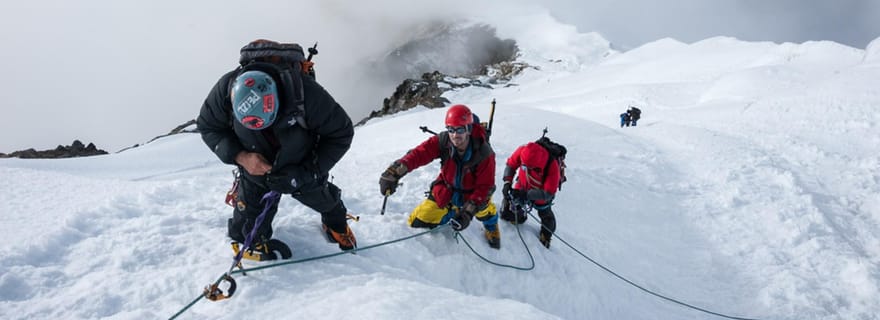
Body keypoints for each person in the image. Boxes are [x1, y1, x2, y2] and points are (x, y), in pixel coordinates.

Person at [197, 39, 357, 257]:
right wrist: (242, 157)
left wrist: (305, 173)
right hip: (254, 167)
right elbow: (208, 126)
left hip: (301, 162)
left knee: (323, 199)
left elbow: (341, 133)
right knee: (243, 231)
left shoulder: (306, 93)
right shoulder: (226, 89)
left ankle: (336, 224)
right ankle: (254, 238)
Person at [378, 104, 501, 249]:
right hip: (446, 190)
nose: (455, 135)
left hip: (473, 196)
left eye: (460, 129)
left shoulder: (484, 152)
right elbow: (419, 154)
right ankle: (451, 212)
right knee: (417, 221)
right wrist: (394, 172)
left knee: (484, 211)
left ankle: (491, 226)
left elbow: (484, 187)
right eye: (451, 129)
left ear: (468, 129)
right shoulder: (444, 141)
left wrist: (467, 213)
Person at [500, 142, 561, 248]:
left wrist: (527, 195)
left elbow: (548, 193)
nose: (527, 169)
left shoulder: (552, 165)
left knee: (546, 216)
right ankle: (518, 216)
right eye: (524, 166)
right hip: (522, 187)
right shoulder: (522, 150)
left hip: (540, 195)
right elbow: (511, 165)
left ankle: (546, 235)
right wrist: (507, 182)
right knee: (509, 211)